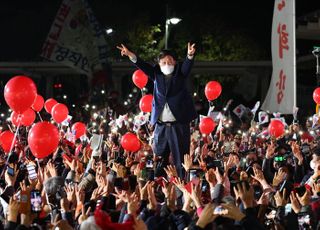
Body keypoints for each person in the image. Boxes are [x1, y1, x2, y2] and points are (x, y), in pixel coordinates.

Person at [117, 43, 198, 178]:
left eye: (170, 61)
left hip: (178, 125)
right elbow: (142, 65)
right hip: (161, 125)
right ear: (159, 64)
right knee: (158, 158)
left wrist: (189, 55)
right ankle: (156, 185)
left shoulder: (180, 74)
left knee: (181, 160)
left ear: (175, 62)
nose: (167, 64)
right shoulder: (156, 73)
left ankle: (182, 188)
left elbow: (186, 67)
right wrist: (130, 54)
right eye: (163, 62)